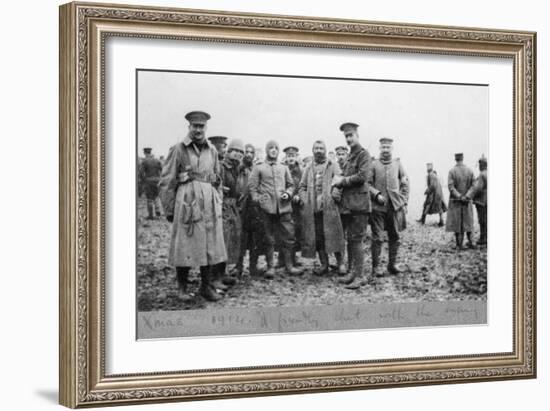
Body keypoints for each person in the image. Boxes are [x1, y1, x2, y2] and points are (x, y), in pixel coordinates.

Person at [159, 111, 226, 302]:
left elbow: (217, 178)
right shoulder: (179, 149)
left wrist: (218, 201)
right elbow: (167, 180)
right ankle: (182, 288)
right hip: (187, 203)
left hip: (209, 204)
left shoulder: (212, 150)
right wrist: (170, 208)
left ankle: (206, 287)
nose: (198, 130)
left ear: (206, 128)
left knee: (210, 244)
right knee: (185, 245)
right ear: (189, 127)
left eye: (201, 126)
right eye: (194, 126)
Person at [248, 140, 303, 278]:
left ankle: (290, 266)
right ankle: (271, 267)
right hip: (266, 209)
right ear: (267, 150)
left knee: (289, 237)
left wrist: (288, 193)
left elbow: (291, 185)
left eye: (276, 148)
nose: (273, 150)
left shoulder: (283, 167)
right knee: (269, 238)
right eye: (271, 148)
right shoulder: (259, 167)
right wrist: (259, 200)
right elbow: (253, 188)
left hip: (284, 208)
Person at [331, 122, 371, 289]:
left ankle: (360, 276)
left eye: (351, 135)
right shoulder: (350, 156)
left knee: (357, 240)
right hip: (349, 205)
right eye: (346, 136)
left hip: (360, 205)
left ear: (357, 135)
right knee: (352, 240)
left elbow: (362, 176)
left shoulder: (363, 154)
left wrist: (342, 181)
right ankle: (353, 273)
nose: (348, 139)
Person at [299, 140, 346, 276]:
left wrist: (334, 194)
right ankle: (324, 264)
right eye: (316, 148)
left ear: (325, 150)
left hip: (330, 208)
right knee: (319, 238)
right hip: (314, 210)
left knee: (335, 235)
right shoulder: (308, 167)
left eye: (321, 148)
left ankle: (341, 264)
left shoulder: (332, 165)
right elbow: (302, 187)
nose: (319, 150)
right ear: (313, 150)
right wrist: (305, 200)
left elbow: (340, 181)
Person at [368, 138, 409, 277]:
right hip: (377, 208)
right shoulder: (373, 164)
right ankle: (376, 267)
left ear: (392, 148)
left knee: (395, 236)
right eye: (383, 147)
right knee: (377, 238)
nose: (385, 150)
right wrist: (376, 194)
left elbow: (405, 182)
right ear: (379, 148)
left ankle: (392, 265)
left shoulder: (397, 164)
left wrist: (403, 200)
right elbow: (367, 184)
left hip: (394, 207)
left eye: (388, 147)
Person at [212, 138, 247, 289]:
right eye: (235, 150)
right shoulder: (221, 166)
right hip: (221, 207)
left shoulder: (237, 168)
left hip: (233, 207)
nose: (238, 154)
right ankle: (214, 278)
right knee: (221, 241)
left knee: (231, 240)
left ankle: (223, 273)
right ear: (228, 151)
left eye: (241, 152)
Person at [235, 144, 266, 277]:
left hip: (254, 207)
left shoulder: (257, 169)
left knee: (255, 238)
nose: (248, 154)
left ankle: (253, 266)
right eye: (246, 152)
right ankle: (238, 266)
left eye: (251, 152)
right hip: (241, 206)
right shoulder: (238, 169)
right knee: (241, 238)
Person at [446, 153, 475, 249]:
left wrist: (459, 196)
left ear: (455, 159)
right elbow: (473, 186)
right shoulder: (470, 171)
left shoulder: (452, 171)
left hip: (456, 201)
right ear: (463, 158)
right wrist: (467, 196)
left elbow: (451, 187)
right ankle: (471, 242)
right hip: (467, 201)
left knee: (458, 223)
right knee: (468, 221)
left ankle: (459, 244)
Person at [282, 146, 303, 266]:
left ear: (296, 157)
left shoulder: (300, 171)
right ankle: (282, 259)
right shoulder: (282, 169)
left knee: (296, 231)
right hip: (284, 204)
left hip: (296, 206)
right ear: (286, 157)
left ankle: (293, 257)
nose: (291, 158)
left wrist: (299, 195)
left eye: (293, 156)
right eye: (289, 156)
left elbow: (303, 185)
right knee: (283, 231)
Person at [465, 155, 488, 245]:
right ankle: (486, 237)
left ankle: (483, 238)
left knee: (482, 220)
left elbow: (477, 188)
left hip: (482, 201)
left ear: (482, 165)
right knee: (487, 219)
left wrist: (468, 196)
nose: (479, 166)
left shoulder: (482, 174)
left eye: (479, 164)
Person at [138, 147, 163, 219]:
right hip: (157, 181)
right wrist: (160, 178)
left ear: (145, 153)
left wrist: (143, 180)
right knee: (156, 196)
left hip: (149, 181)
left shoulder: (144, 161)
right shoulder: (157, 160)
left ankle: (151, 215)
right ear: (150, 152)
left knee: (149, 198)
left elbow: (141, 172)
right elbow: (162, 169)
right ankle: (158, 212)